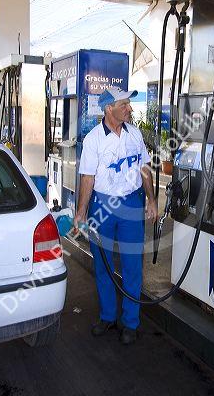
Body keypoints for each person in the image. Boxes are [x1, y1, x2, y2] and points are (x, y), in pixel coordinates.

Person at [74, 86, 157, 345]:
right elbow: (88, 177)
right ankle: (108, 316)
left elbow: (145, 168)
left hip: (132, 203)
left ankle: (130, 323)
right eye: (124, 105)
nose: (130, 108)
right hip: (103, 206)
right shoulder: (94, 140)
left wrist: (152, 200)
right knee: (104, 264)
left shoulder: (135, 135)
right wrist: (81, 213)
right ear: (109, 108)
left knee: (133, 265)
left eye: (129, 105)